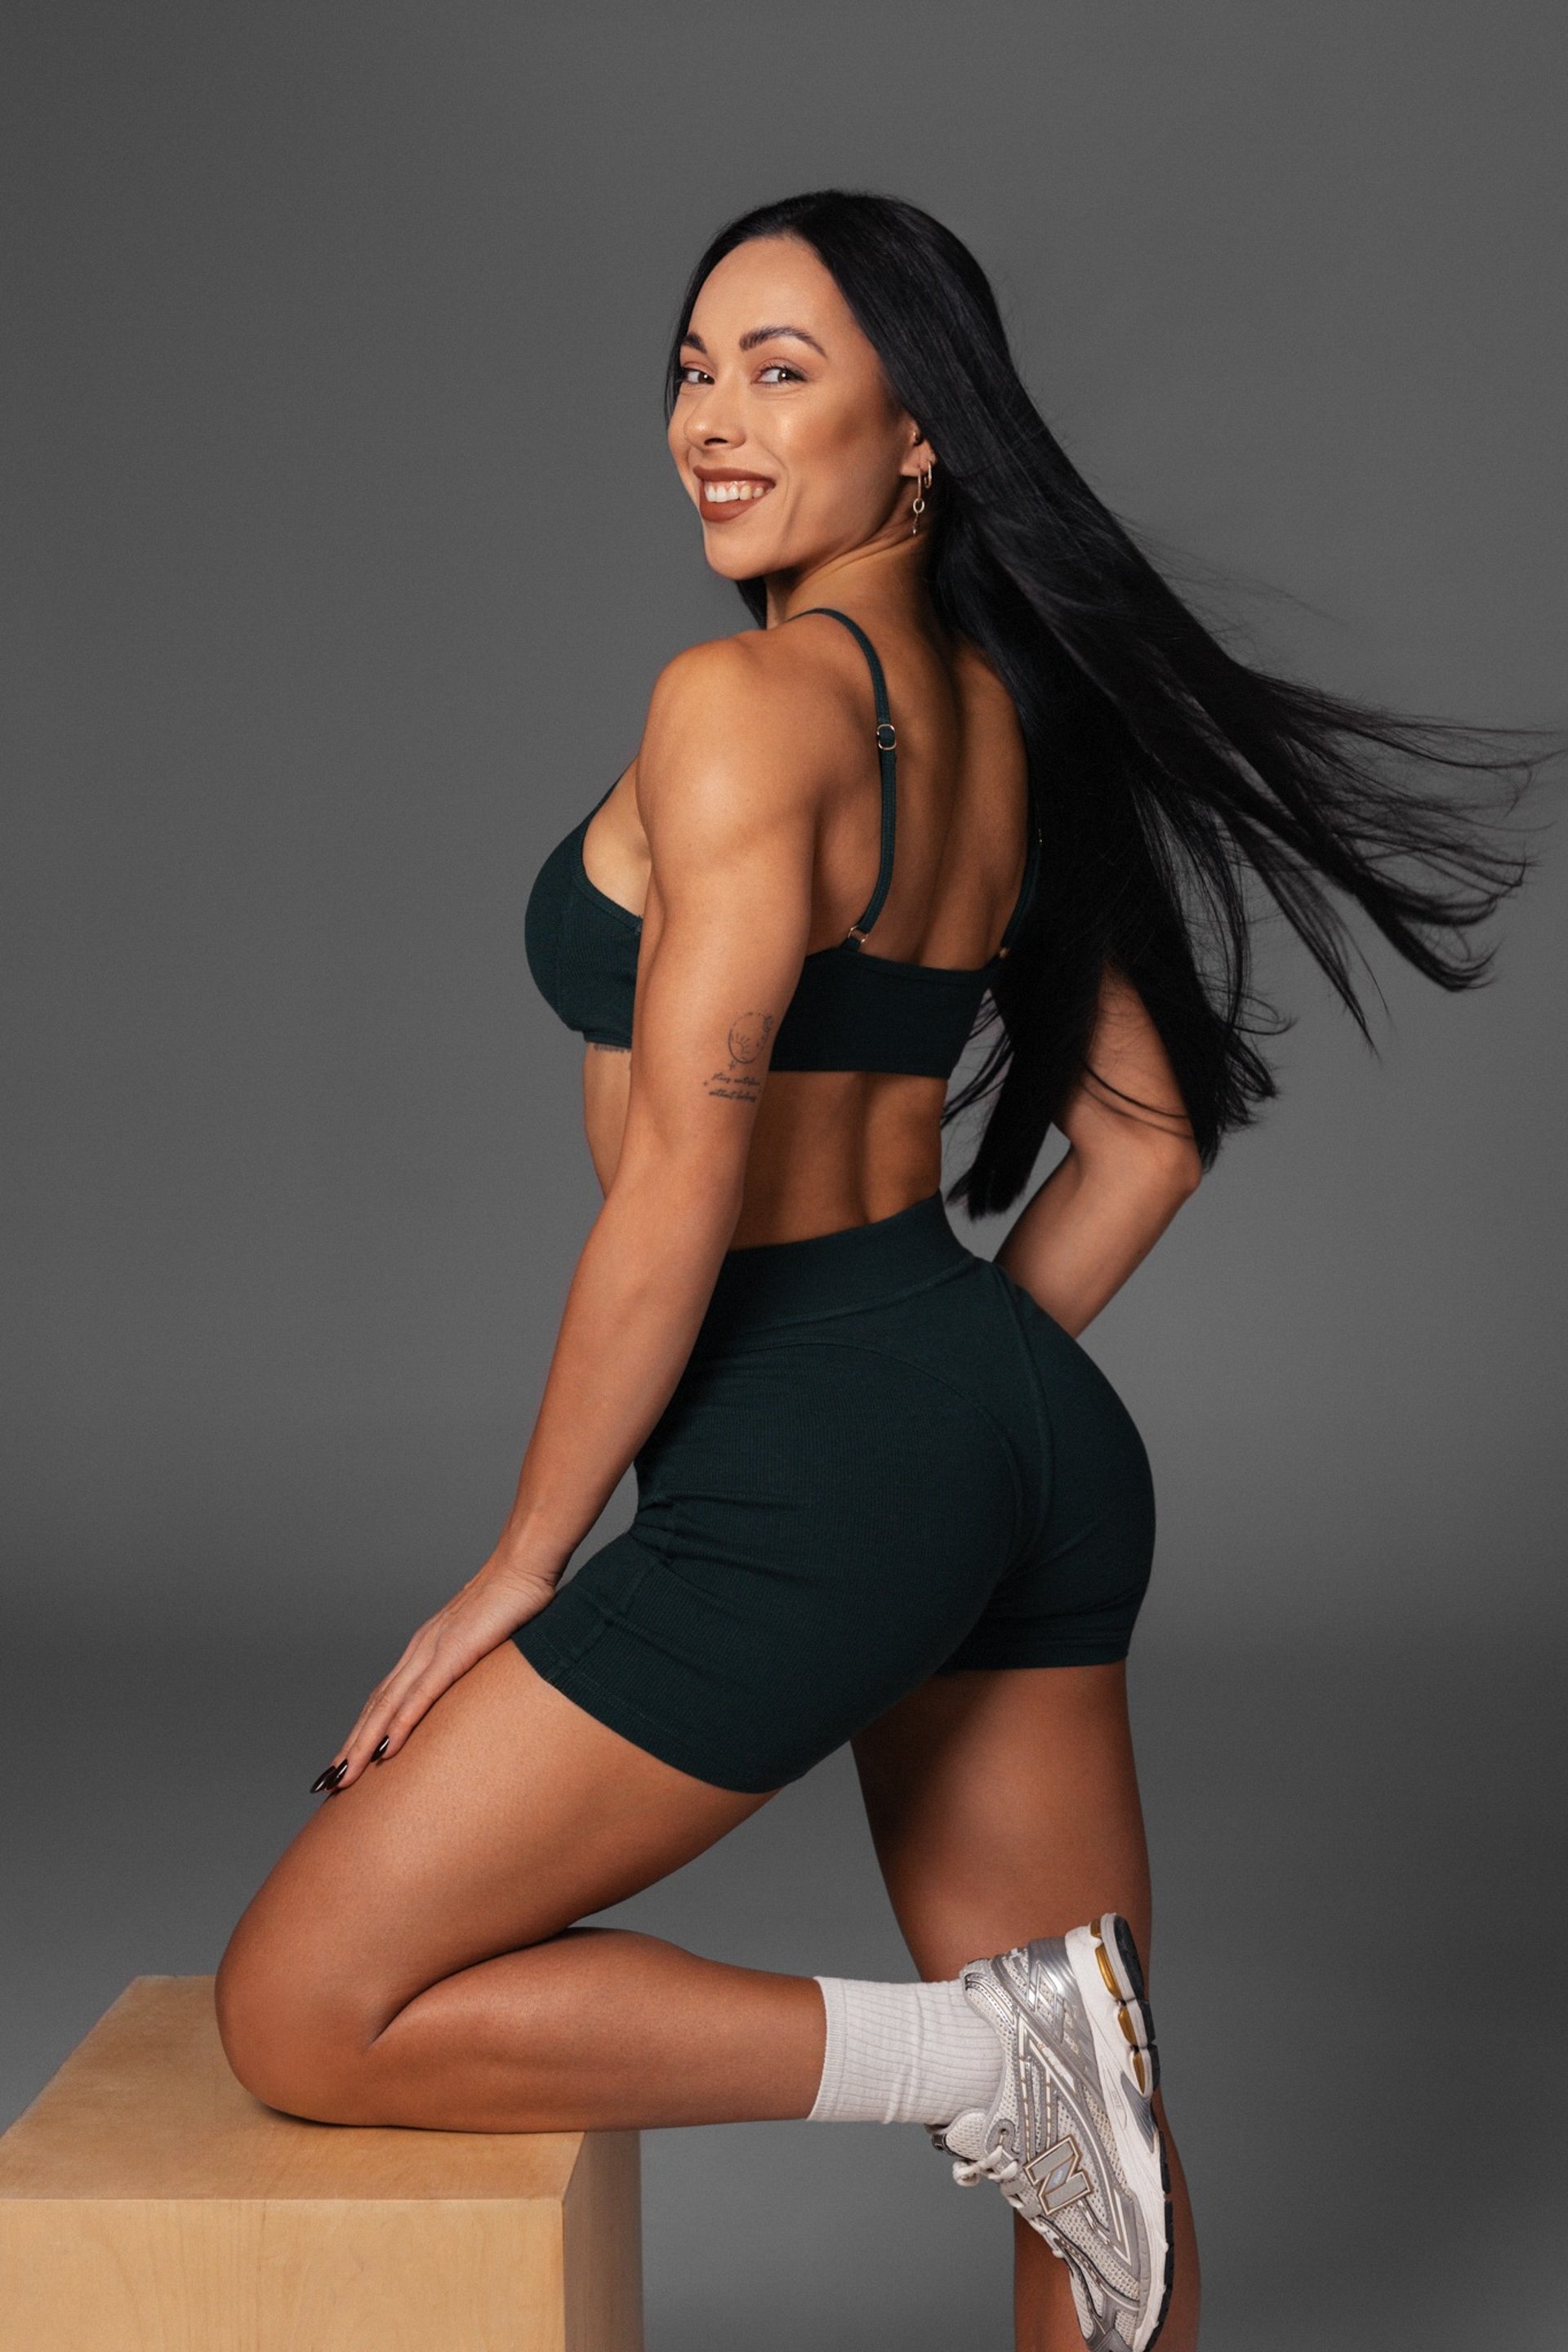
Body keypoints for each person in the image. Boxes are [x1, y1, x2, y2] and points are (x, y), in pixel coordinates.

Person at [213, 191, 1536, 2352]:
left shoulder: (742, 707)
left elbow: (678, 1180)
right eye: (689, 368)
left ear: (918, 429)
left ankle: (963, 2064)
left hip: (819, 1441)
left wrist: (520, 1561)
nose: (707, 421)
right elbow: (1152, 1130)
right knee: (1101, 2149)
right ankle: (1027, 2063)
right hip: (988, 1421)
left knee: (305, 2006)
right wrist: (956, 1401)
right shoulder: (1016, 710)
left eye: (780, 369)